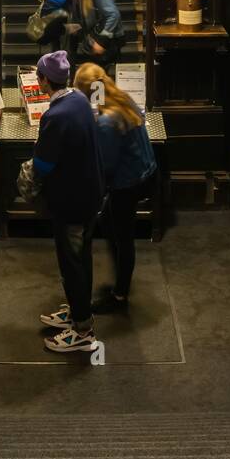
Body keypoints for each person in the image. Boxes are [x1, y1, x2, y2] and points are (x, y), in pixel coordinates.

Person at [32, 49, 104, 353]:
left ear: (43, 80)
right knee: (81, 257)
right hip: (90, 194)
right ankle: (78, 311)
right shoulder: (78, 101)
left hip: (71, 201)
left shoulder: (55, 115)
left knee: (72, 262)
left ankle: (83, 331)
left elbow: (43, 166)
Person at [74, 63, 157, 312]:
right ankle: (120, 280)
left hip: (128, 183)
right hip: (147, 172)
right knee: (110, 225)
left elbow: (106, 166)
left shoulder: (107, 121)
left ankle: (120, 296)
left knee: (122, 236)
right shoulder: (122, 99)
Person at [67, 0, 125, 72]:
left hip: (110, 39)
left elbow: (113, 14)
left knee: (99, 76)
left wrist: (102, 40)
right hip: (98, 36)